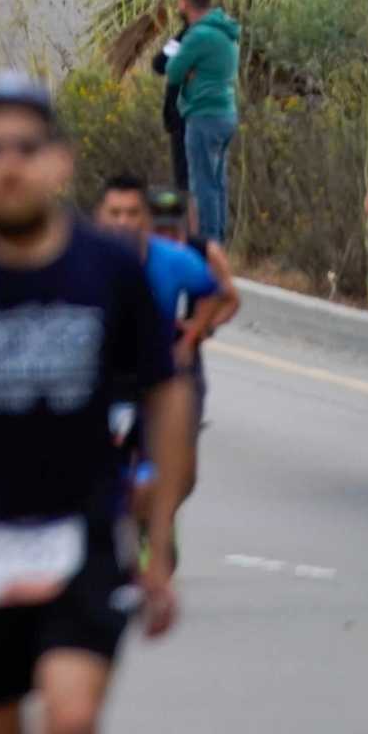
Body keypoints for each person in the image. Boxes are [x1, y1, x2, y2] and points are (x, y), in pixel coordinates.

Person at [0, 75, 185, 734]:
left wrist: (160, 539)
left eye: (26, 146)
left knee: (71, 718)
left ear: (60, 159)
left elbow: (166, 390)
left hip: (82, 534)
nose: (9, 163)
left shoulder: (108, 267)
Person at [90, 173, 239, 516]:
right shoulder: (102, 253)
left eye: (175, 228)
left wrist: (195, 332)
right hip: (115, 369)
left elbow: (225, 297)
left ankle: (158, 513)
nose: (168, 236)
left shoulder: (197, 254)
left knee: (179, 471)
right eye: (160, 228)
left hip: (172, 363)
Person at [166, 0, 240, 246]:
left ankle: (208, 246)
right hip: (226, 113)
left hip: (203, 115)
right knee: (218, 182)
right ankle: (218, 239)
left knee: (202, 185)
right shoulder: (226, 29)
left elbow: (173, 71)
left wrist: (188, 71)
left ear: (185, 1)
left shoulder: (198, 36)